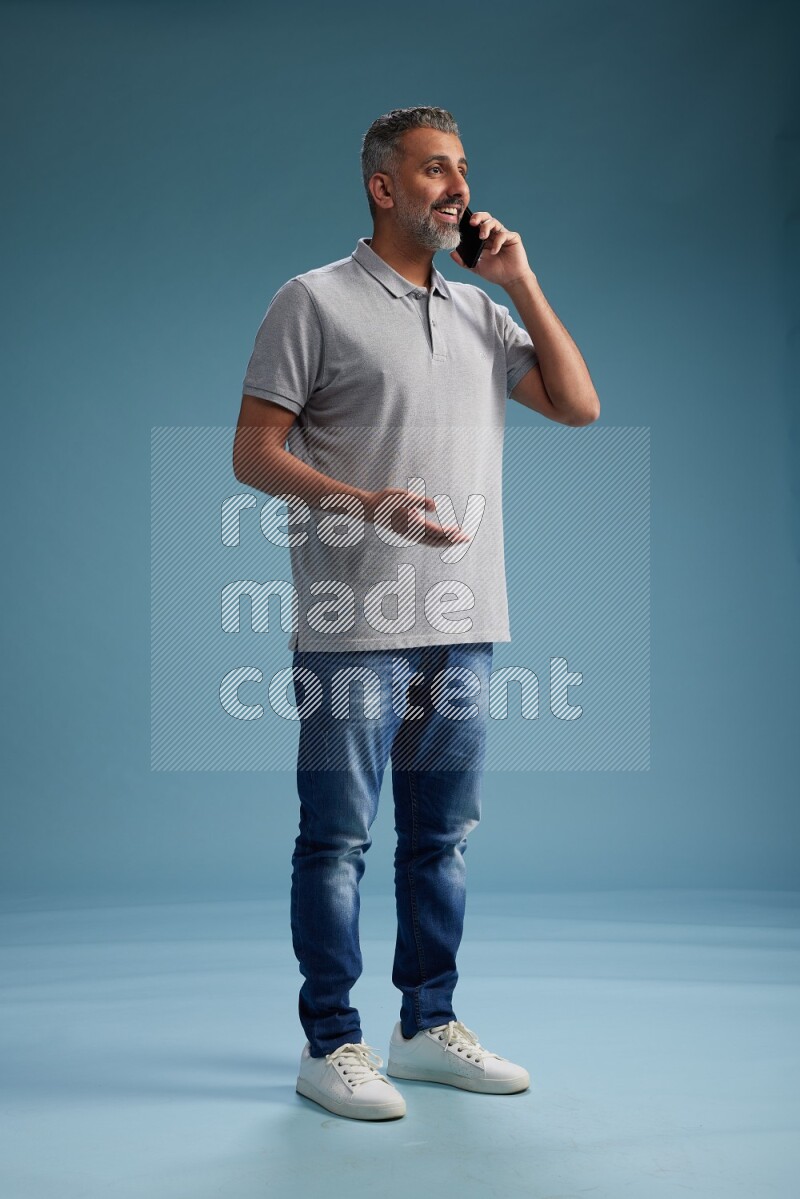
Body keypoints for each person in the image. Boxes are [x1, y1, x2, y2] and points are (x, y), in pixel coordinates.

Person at [233, 106, 599, 1121]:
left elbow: (577, 404)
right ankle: (331, 1043)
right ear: (381, 187)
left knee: (441, 838)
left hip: (465, 617)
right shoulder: (310, 301)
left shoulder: (482, 315)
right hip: (352, 623)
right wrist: (366, 504)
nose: (456, 184)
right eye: (434, 168)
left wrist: (516, 279)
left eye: (463, 168)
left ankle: (423, 1024)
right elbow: (251, 451)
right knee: (336, 840)